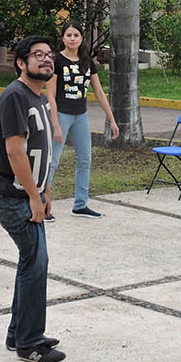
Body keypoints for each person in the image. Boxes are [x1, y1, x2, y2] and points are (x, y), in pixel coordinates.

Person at [0, 36, 66, 362]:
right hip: (11, 195)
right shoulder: (15, 97)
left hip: (30, 192)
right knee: (36, 261)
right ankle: (29, 342)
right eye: (38, 56)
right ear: (21, 62)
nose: (47, 60)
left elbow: (42, 148)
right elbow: (15, 150)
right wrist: (33, 195)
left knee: (32, 261)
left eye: (49, 55)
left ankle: (19, 331)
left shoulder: (40, 97)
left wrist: (46, 189)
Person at [46, 21, 120, 220]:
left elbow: (99, 93)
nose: (72, 39)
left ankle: (80, 204)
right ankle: (43, 206)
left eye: (76, 35)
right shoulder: (57, 61)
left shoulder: (87, 61)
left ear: (81, 38)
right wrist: (55, 124)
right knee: (52, 161)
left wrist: (112, 120)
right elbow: (50, 95)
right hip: (61, 114)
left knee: (85, 160)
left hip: (81, 115)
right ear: (63, 38)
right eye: (68, 35)